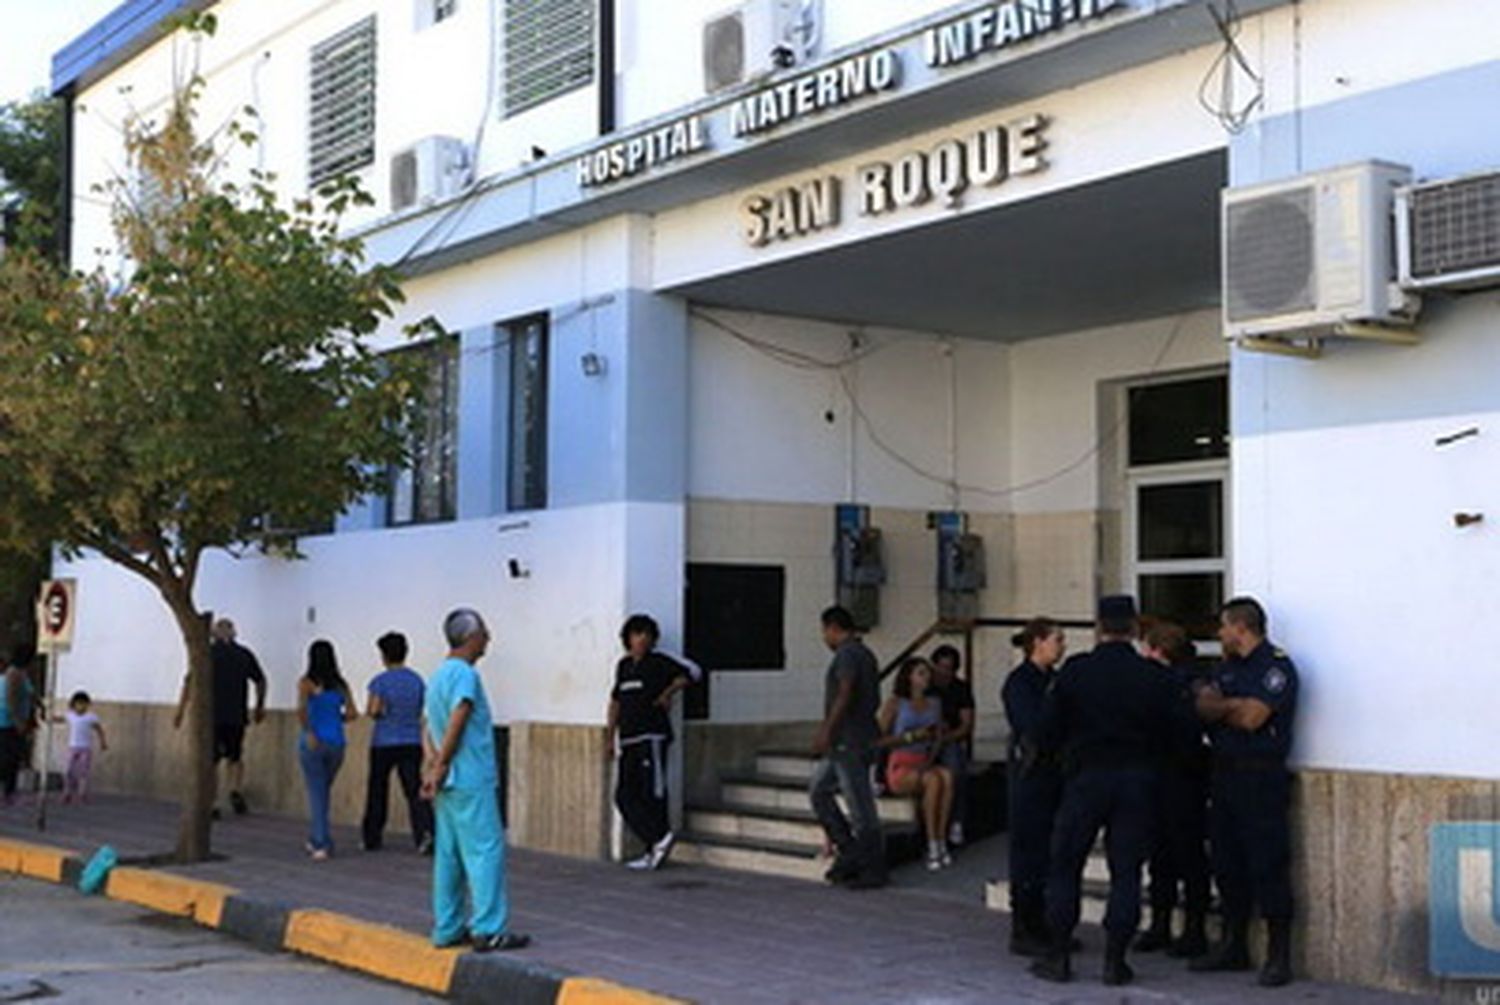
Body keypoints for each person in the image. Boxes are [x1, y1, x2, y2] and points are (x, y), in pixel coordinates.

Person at [1030, 595, 1182, 986]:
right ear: (1133, 628)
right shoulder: (1153, 676)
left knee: (1065, 866)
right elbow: (1177, 731)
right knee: (1126, 872)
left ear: (1099, 627)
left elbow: (1047, 729)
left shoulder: (1076, 672)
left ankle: (1059, 955)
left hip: (1086, 778)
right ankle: (1116, 961)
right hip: (1136, 780)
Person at [1190, 596, 1300, 988]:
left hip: (1260, 779)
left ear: (1240, 627)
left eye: (1223, 627)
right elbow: (1202, 707)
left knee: (1268, 864)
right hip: (1224, 777)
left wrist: (1225, 707)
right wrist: (1229, 706)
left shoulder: (1276, 667)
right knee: (1226, 862)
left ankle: (1278, 955)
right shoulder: (1227, 668)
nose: (1219, 634)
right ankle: (1233, 945)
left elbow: (1254, 718)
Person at [421, 608, 529, 952]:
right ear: (470, 637)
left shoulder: (437, 676)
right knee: (485, 852)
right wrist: (444, 763)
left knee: (449, 856)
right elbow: (460, 714)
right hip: (469, 777)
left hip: (448, 781)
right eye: (484, 631)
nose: (488, 637)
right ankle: (488, 927)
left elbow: (425, 725)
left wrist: (433, 765)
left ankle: (448, 926)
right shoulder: (465, 676)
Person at [1135, 621, 1212, 958]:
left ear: (1156, 650)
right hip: (1174, 778)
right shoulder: (1188, 681)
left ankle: (1183, 928)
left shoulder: (1184, 683)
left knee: (1181, 856)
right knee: (1166, 855)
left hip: (1180, 777)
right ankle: (1167, 925)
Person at [605, 614, 701, 871]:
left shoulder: (659, 663)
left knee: (653, 793)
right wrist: (610, 736)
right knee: (624, 795)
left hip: (652, 738)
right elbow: (615, 701)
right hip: (628, 739)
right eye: (637, 634)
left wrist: (668, 693)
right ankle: (656, 839)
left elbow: (692, 673)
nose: (642, 639)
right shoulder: (623, 666)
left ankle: (656, 845)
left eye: (647, 634)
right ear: (628, 638)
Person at [1001, 617, 1068, 957]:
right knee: (1028, 851)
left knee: (1050, 852)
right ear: (1038, 642)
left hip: (1055, 773)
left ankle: (1046, 922)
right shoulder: (1020, 682)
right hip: (1031, 775)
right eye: (1057, 639)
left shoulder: (1054, 680)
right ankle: (1025, 925)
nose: (1062, 646)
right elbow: (1033, 725)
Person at [809, 605, 885, 889]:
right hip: (850, 738)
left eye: (824, 631)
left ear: (832, 628)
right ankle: (849, 850)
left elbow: (845, 692)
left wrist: (826, 730)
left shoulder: (848, 655)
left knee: (859, 805)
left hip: (849, 739)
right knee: (819, 791)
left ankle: (872, 865)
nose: (824, 638)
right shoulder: (863, 653)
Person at [174, 618, 267, 817]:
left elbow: (189, 683)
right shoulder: (244, 655)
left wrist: (180, 711)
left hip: (211, 717)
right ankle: (235, 789)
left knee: (212, 761)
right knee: (235, 756)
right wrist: (260, 706)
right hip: (237, 714)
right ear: (234, 634)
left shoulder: (206, 654)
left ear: (213, 635)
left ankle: (213, 803)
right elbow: (260, 680)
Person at [877, 657, 953, 871]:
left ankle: (940, 838)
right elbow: (879, 740)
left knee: (945, 776)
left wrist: (932, 751)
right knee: (933, 780)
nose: (926, 678)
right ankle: (931, 843)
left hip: (923, 759)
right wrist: (910, 737)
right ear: (908, 677)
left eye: (927, 674)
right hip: (901, 762)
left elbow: (937, 735)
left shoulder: (934, 704)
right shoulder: (896, 703)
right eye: (920, 673)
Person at [361, 631, 434, 854]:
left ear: (384, 655)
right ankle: (426, 833)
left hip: (383, 741)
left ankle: (372, 837)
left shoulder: (379, 682)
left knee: (377, 790)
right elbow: (420, 709)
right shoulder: (417, 681)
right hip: (411, 740)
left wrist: (380, 712)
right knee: (414, 791)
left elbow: (373, 710)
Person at [297, 640, 356, 860]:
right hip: (337, 743)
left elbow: (301, 711)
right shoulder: (341, 685)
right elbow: (352, 714)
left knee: (317, 792)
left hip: (313, 742)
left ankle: (321, 843)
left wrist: (311, 731)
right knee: (322, 792)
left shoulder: (306, 683)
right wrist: (334, 718)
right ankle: (316, 837)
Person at [927, 644, 975, 847]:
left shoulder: (961, 689)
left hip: (950, 739)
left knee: (955, 767)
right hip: (925, 737)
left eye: (949, 668)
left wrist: (945, 738)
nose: (944, 672)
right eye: (940, 667)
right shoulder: (926, 688)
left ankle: (956, 820)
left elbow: (966, 726)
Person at [0, 643, 37, 807]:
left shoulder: (21, 674)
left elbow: (29, 695)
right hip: (8, 722)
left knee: (12, 758)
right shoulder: (14, 674)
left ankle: (9, 791)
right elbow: (11, 700)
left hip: (13, 721)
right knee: (9, 758)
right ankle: (8, 793)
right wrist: (19, 723)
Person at [57, 690, 108, 804]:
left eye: (84, 704)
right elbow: (60, 719)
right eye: (78, 704)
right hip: (73, 747)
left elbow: (99, 729)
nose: (81, 706)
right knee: (69, 771)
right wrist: (49, 718)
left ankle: (82, 793)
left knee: (83, 772)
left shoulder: (91, 717)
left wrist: (103, 742)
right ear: (73, 705)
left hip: (85, 748)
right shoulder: (71, 716)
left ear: (87, 705)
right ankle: (67, 792)